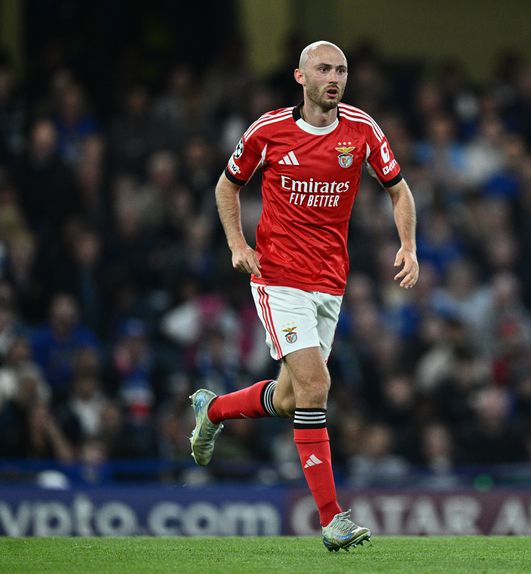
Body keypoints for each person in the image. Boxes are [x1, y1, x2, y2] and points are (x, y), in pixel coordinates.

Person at [191, 40, 419, 551]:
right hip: (277, 277)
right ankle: (332, 518)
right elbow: (227, 187)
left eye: (341, 69)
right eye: (323, 69)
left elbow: (398, 188)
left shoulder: (361, 129)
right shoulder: (268, 131)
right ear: (300, 76)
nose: (334, 77)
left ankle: (212, 412)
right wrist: (237, 245)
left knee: (293, 396)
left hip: (329, 281)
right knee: (316, 387)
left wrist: (408, 244)